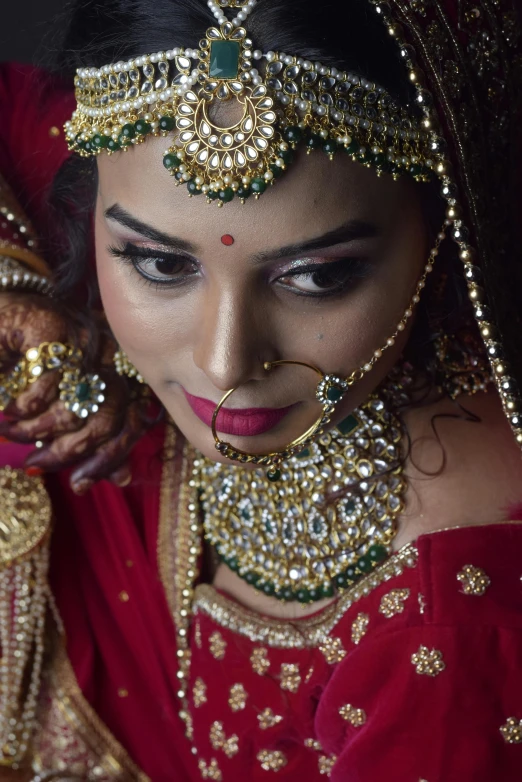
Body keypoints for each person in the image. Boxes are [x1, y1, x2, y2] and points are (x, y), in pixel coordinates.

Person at [1, 0, 522, 779]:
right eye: (160, 264)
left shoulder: (447, 622)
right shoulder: (112, 372)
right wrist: (24, 291)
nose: (225, 364)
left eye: (316, 276)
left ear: (445, 228)